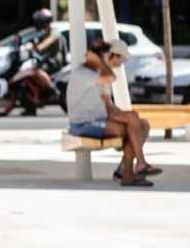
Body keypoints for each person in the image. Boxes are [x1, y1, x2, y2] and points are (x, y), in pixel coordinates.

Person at [68, 39, 162, 187]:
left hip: (95, 118)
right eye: (121, 57)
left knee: (138, 123)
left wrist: (126, 117)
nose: (124, 60)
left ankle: (131, 169)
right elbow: (107, 100)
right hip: (86, 122)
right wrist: (100, 61)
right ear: (110, 56)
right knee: (134, 126)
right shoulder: (90, 73)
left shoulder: (95, 72)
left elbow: (105, 104)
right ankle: (130, 171)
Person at [23, 8, 67, 114]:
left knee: (36, 70)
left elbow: (46, 43)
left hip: (55, 61)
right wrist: (27, 47)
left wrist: (38, 47)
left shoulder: (54, 32)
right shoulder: (43, 33)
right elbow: (36, 43)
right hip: (46, 60)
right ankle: (31, 107)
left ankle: (53, 90)